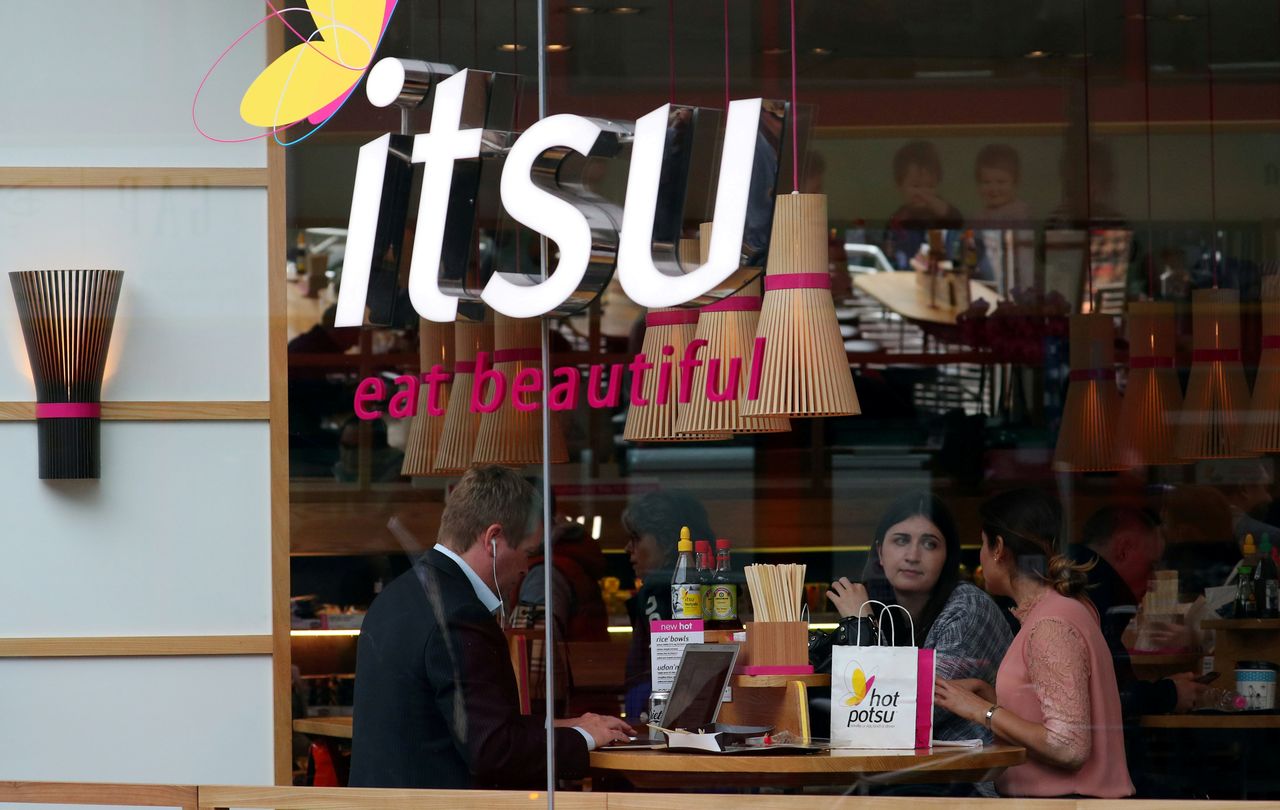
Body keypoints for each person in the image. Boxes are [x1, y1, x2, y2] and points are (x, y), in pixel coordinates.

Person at [349, 466, 632, 789]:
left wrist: (568, 725)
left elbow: (465, 727)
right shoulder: (460, 613)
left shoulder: (395, 597)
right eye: (528, 552)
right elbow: (492, 751)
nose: (527, 567)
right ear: (493, 539)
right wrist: (583, 738)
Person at [935, 489, 1134, 799]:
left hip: (1066, 803)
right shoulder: (1056, 612)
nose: (981, 557)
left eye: (983, 545)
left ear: (998, 548)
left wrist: (982, 711)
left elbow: (1068, 746)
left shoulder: (1050, 625)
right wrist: (987, 695)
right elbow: (1051, 716)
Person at [816, 492, 1012, 746]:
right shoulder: (881, 606)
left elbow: (900, 711)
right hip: (909, 771)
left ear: (947, 557)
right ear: (880, 552)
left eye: (929, 544)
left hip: (971, 777)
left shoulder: (969, 608)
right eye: (901, 541)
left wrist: (863, 625)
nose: (913, 555)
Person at [1069, 506, 1206, 798]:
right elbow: (1107, 696)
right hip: (1092, 779)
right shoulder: (1099, 594)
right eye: (1151, 565)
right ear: (1124, 549)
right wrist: (1169, 693)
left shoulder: (1076, 580)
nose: (1153, 579)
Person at [619, 490, 714, 719]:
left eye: (636, 537)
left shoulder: (656, 591)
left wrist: (638, 705)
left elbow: (660, 672)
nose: (627, 548)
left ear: (667, 541)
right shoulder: (711, 586)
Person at [884, 140, 964, 269]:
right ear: (900, 186)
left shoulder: (941, 213)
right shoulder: (899, 218)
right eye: (916, 186)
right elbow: (890, 248)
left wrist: (934, 202)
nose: (923, 193)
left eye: (930, 186)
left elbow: (956, 220)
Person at [972, 144, 1034, 291]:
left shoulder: (1020, 212)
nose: (993, 189)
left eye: (1001, 182)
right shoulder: (978, 216)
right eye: (986, 182)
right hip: (988, 278)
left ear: (1015, 182)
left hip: (1018, 279)